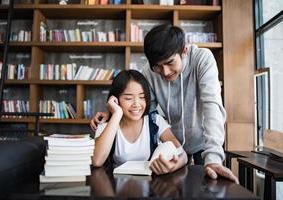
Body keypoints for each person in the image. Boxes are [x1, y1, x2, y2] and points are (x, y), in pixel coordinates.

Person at [91, 24, 238, 183]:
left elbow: (212, 106)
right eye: (158, 66)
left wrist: (214, 158)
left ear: (184, 51)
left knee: (208, 186)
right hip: (171, 144)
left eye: (170, 63)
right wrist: (115, 114)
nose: (165, 72)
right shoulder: (149, 72)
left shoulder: (202, 59)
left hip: (203, 141)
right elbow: (146, 111)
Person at [92, 70, 188, 175]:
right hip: (116, 186)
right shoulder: (106, 124)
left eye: (142, 97)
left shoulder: (155, 121)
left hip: (150, 186)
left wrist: (172, 167)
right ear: (115, 99)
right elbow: (96, 161)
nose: (137, 104)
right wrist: (116, 114)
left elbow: (182, 155)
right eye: (129, 98)